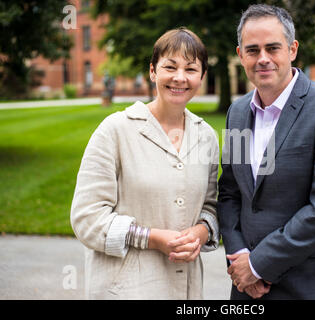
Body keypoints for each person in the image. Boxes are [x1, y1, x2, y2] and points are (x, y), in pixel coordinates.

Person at [218, 4, 315, 300]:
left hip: (313, 281)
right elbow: (229, 193)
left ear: (292, 49)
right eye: (252, 50)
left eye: (272, 48)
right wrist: (239, 256)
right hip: (248, 286)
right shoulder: (236, 112)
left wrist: (259, 264)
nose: (263, 59)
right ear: (240, 55)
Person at [71, 27, 219, 299]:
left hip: (185, 289)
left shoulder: (206, 137)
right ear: (152, 71)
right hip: (127, 289)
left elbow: (210, 205)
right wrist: (151, 238)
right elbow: (86, 217)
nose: (179, 78)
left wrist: (201, 231)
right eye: (170, 67)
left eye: (190, 69)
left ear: (202, 76)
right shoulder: (114, 130)